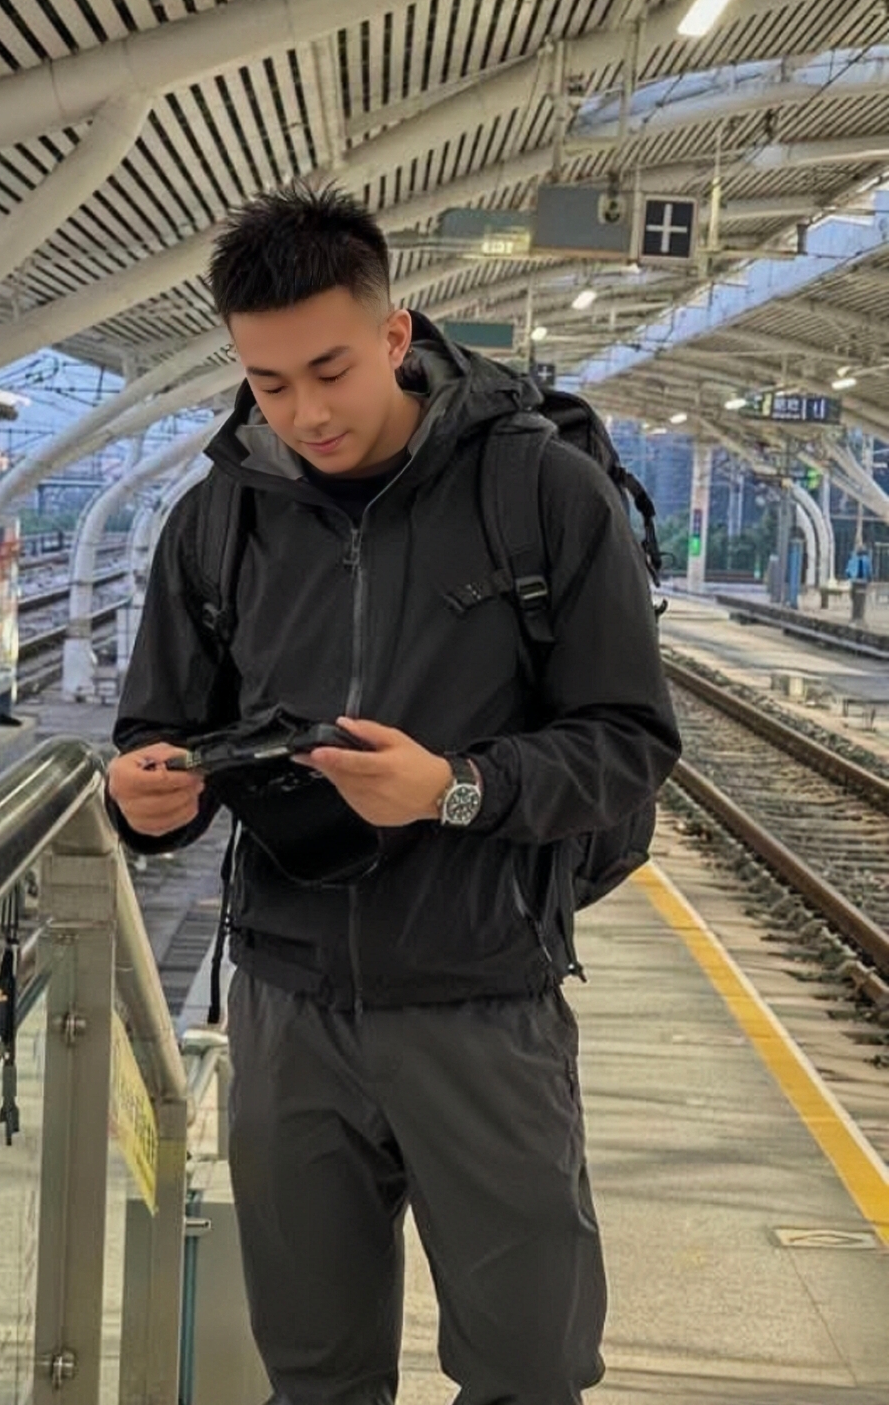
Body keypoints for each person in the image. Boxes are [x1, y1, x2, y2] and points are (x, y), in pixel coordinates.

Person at [105, 183, 681, 1405]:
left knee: (528, 1371)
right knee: (314, 1375)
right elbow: (160, 730)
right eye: (268, 383)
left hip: (485, 1000)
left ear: (395, 332)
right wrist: (148, 796)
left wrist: (454, 789)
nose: (305, 412)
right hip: (288, 1007)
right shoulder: (215, 523)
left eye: (330, 370)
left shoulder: (540, 494)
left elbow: (631, 742)